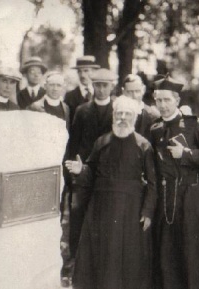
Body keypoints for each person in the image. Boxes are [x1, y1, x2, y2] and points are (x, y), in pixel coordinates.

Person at [65, 95, 157, 289]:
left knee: (128, 259)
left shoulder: (144, 145)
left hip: (131, 211)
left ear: (135, 118)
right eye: (119, 113)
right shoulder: (101, 142)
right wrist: (81, 170)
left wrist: (147, 212)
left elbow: (152, 182)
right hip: (101, 209)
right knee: (102, 256)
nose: (122, 117)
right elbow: (90, 174)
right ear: (113, 115)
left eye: (127, 114)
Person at [150, 74, 199, 289]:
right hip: (166, 198)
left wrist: (186, 154)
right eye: (158, 100)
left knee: (192, 252)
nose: (162, 105)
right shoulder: (155, 128)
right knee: (167, 254)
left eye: (167, 100)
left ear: (177, 101)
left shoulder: (194, 124)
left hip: (191, 198)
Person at [61, 69, 115, 286]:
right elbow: (73, 144)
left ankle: (102, 263)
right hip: (83, 174)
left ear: (112, 86)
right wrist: (73, 173)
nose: (101, 89)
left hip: (107, 175)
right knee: (78, 218)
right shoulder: (82, 111)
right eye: (97, 85)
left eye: (105, 85)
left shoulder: (118, 110)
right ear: (92, 86)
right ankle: (75, 261)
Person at [122, 74, 159, 140]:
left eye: (137, 91)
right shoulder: (116, 114)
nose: (134, 96)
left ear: (143, 90)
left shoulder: (154, 116)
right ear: (123, 92)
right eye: (130, 92)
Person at [64, 55, 100, 124]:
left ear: (93, 72)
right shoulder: (70, 96)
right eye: (79, 71)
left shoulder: (100, 93)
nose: (82, 75)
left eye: (86, 71)